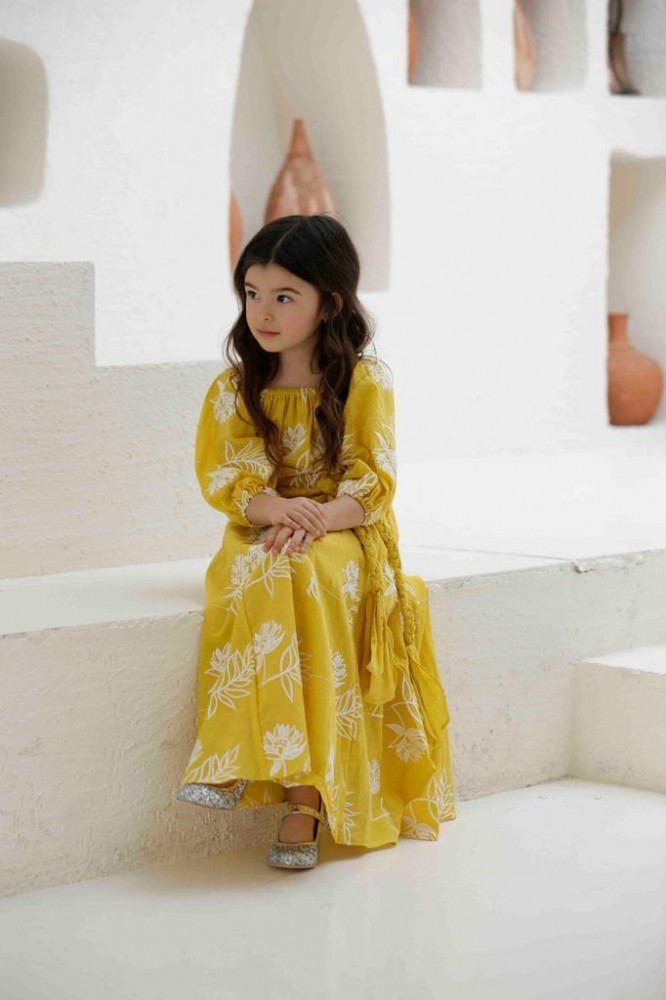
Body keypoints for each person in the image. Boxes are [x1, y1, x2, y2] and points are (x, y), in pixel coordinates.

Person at [176, 213, 457, 869]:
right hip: (263, 526)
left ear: (329, 304)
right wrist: (279, 511)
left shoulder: (364, 381)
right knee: (268, 571)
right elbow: (226, 475)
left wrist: (314, 519)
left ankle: (301, 800)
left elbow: (372, 479)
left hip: (346, 531)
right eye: (252, 293)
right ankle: (237, 758)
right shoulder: (233, 387)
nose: (262, 312)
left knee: (298, 573)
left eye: (284, 296)